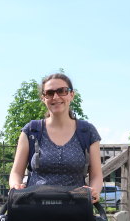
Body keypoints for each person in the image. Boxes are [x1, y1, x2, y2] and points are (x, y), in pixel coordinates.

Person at [8, 73, 104, 203]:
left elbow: (97, 175)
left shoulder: (87, 131)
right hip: (34, 209)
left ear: (71, 95)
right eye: (49, 93)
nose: (56, 97)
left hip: (75, 209)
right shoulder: (31, 130)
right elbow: (16, 173)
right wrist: (16, 186)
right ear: (43, 98)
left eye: (62, 91)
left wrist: (94, 191)